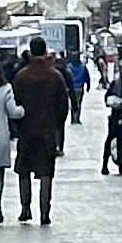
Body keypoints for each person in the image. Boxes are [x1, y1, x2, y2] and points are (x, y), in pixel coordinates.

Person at [7, 37, 73, 226]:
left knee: (24, 170)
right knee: (46, 173)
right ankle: (45, 212)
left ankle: (25, 208)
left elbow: (15, 103)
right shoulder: (55, 76)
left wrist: (18, 126)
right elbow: (63, 105)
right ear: (44, 52)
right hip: (47, 131)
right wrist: (56, 125)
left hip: (26, 130)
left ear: (30, 51)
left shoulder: (21, 76)